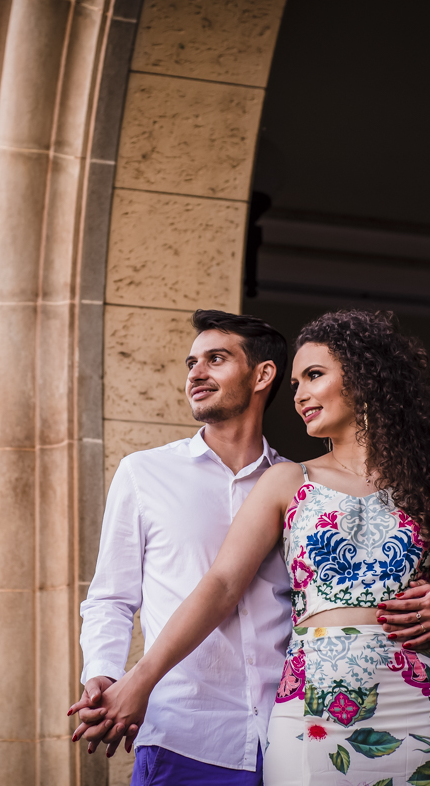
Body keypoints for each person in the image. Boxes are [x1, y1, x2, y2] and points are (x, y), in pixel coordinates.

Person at [72, 309, 430, 786]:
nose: (301, 395)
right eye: (297, 384)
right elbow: (216, 584)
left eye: (313, 376)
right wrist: (128, 679)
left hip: (417, 700)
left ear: (365, 376)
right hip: (294, 712)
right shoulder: (287, 481)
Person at [74, 309, 295, 785]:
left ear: (263, 374)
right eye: (191, 362)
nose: (196, 372)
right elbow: (111, 597)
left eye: (216, 359)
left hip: (293, 733)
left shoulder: (301, 487)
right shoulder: (144, 473)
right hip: (184, 734)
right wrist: (105, 676)